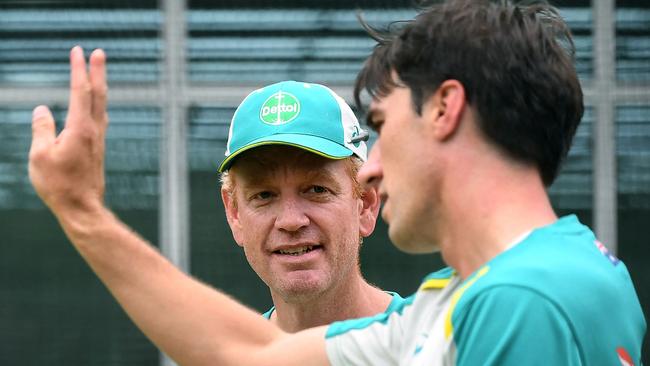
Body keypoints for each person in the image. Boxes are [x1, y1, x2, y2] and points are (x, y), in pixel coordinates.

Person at [28, 1, 645, 366]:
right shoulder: (480, 295)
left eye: (380, 123)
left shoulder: (519, 302)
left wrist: (83, 212)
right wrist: (82, 213)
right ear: (232, 211)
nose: (373, 163)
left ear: (444, 110)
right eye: (263, 194)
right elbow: (252, 358)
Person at [218, 80, 405, 332]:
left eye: (317, 190)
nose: (291, 221)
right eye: (263, 195)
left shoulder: (437, 344)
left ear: (366, 204)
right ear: (234, 214)